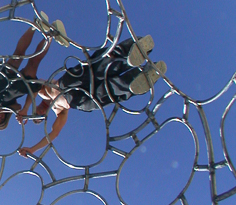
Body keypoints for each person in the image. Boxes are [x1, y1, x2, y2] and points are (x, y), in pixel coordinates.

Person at [18, 36, 166, 156]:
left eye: (37, 113)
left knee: (101, 66)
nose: (41, 112)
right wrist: (32, 149)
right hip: (79, 100)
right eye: (41, 116)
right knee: (109, 92)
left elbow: (33, 87)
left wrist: (25, 109)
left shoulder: (44, 91)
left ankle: (132, 50)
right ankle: (136, 80)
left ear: (35, 108)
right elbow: (54, 134)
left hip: (68, 83)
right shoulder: (60, 111)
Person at [0, 24, 55, 131]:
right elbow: (17, 107)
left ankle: (34, 26)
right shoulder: (12, 107)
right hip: (20, 86)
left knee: (18, 55)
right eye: (1, 119)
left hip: (5, 78)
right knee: (34, 62)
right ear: (5, 118)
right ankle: (50, 35)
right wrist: (25, 110)